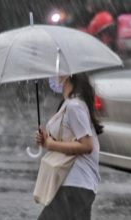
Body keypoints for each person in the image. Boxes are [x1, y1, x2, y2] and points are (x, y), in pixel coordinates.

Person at [35, 73, 103, 220]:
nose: (54, 75)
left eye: (58, 72)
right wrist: (46, 139)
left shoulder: (74, 106)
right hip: (74, 185)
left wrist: (51, 144)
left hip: (75, 184)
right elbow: (68, 137)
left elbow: (86, 145)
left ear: (67, 76)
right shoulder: (68, 104)